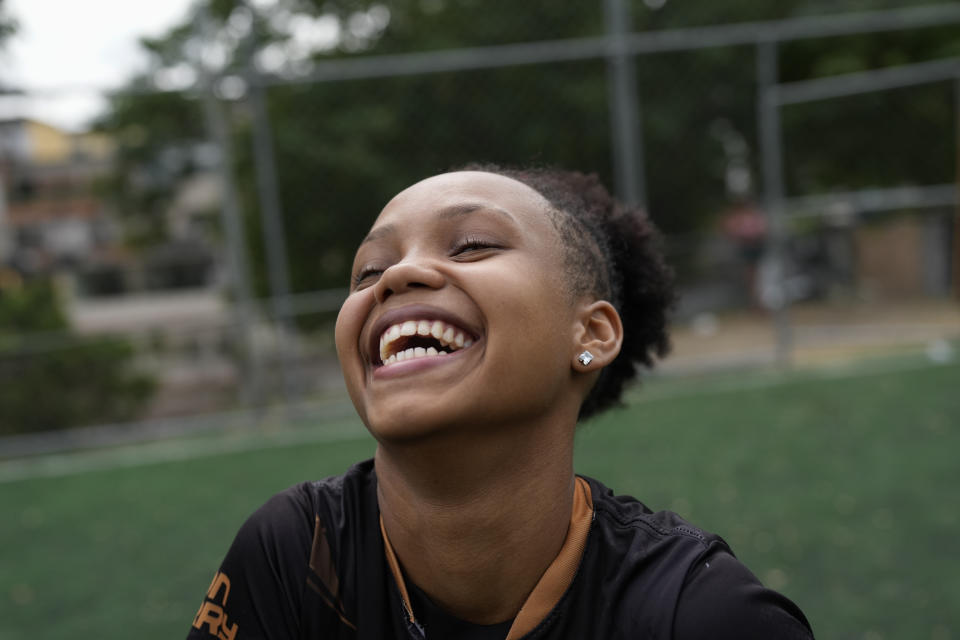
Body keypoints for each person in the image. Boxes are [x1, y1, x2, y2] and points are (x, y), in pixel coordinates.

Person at [187, 167, 814, 640]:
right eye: (369, 271)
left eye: (471, 245)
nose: (399, 276)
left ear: (591, 334)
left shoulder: (701, 616)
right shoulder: (297, 554)